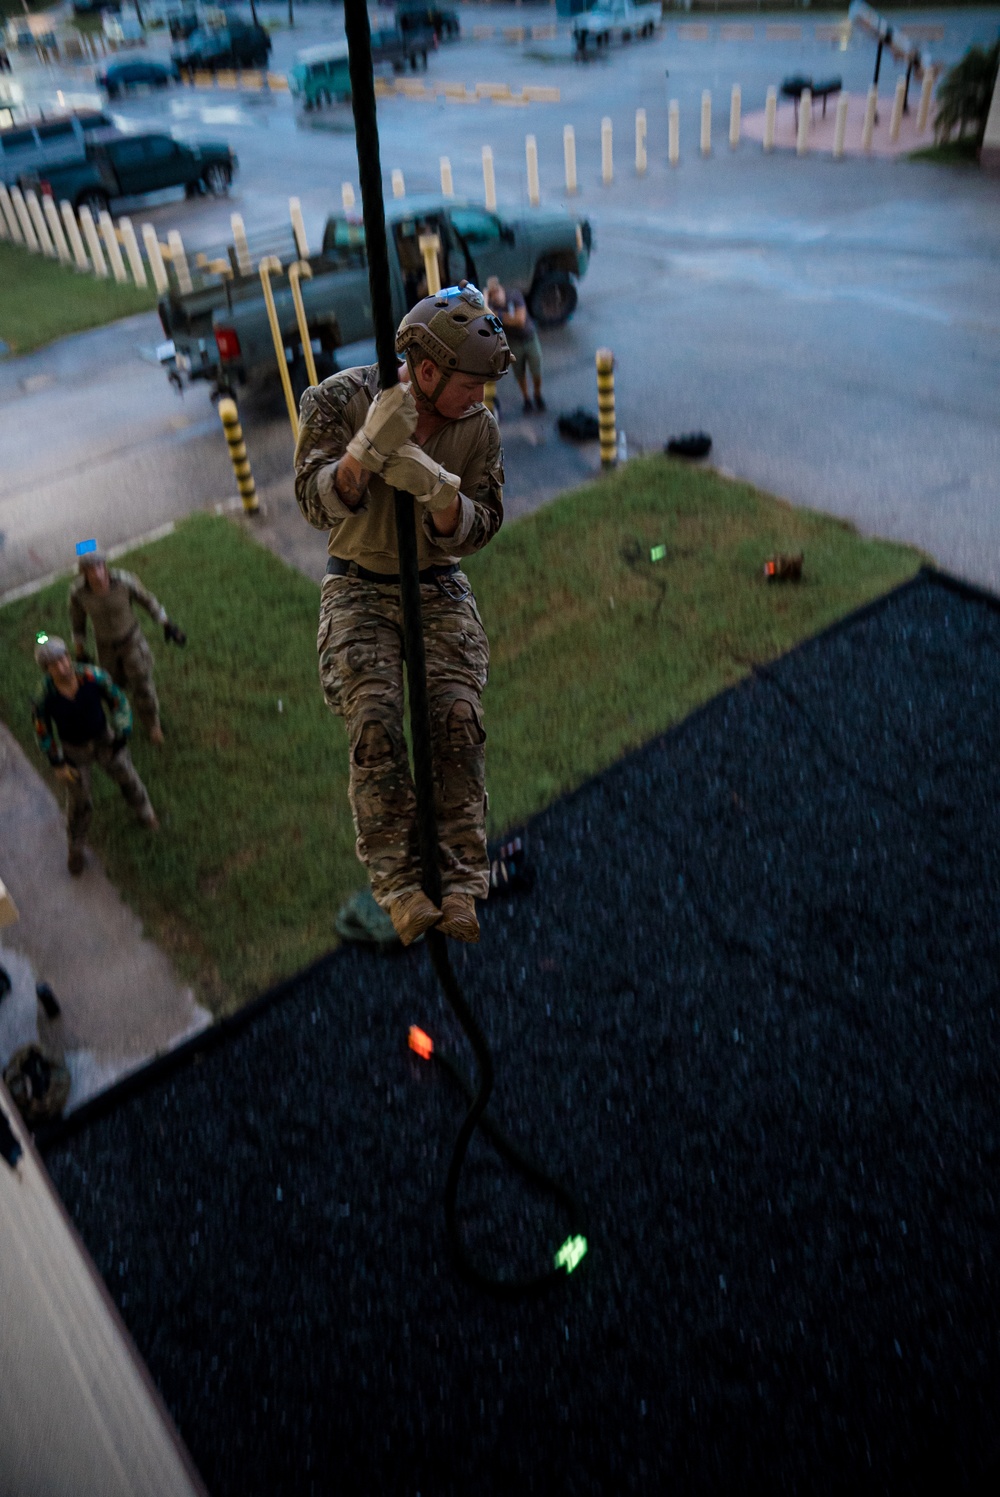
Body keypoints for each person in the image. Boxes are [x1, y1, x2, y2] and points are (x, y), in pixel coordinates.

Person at [294, 282, 510, 947]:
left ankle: (463, 878)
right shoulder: (337, 400)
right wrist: (361, 453)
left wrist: (443, 499)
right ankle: (399, 885)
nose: (479, 397)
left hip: (436, 581)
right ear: (425, 369)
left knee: (456, 719)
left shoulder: (479, 429)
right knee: (376, 721)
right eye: (470, 383)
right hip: (360, 586)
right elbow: (311, 498)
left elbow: (486, 522)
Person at [31, 634, 158, 877]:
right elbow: (42, 730)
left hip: (104, 740)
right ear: (47, 670)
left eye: (64, 659)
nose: (63, 667)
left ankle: (145, 812)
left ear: (69, 656)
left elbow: (117, 700)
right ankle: (76, 847)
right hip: (73, 751)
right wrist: (57, 763)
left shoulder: (92, 676)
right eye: (54, 665)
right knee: (79, 801)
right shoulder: (43, 697)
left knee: (127, 776)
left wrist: (121, 732)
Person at [68, 546, 186, 745]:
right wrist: (80, 653)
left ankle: (152, 724)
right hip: (105, 647)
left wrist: (168, 625)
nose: (96, 572)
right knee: (112, 686)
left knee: (142, 684)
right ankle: (122, 718)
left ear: (105, 565)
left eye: (99, 565)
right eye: (90, 568)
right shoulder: (78, 594)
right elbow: (77, 625)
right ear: (83, 572)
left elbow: (148, 602)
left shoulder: (124, 582)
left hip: (131, 642)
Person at [485, 275, 545, 416]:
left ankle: (537, 394)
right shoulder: (492, 306)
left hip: (529, 338)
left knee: (536, 370)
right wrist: (486, 302)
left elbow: (520, 320)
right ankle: (527, 399)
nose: (496, 296)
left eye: (497, 291)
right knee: (520, 373)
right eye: (492, 294)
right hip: (513, 342)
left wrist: (498, 316)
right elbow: (487, 321)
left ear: (502, 289)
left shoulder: (514, 296)